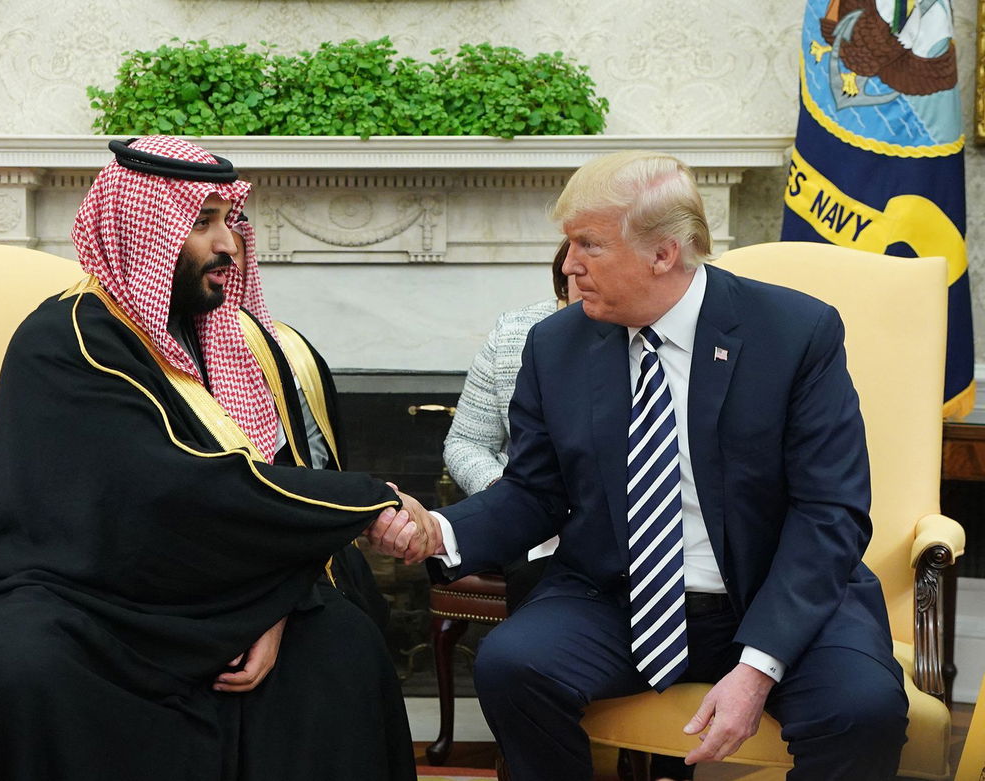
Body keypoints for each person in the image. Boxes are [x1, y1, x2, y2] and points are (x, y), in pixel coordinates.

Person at [370, 150, 908, 781]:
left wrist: (759, 666)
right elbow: (534, 492)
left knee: (862, 710)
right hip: (619, 597)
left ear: (663, 254)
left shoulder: (795, 333)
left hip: (778, 593)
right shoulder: (557, 343)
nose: (568, 266)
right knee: (514, 665)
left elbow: (829, 512)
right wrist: (441, 529)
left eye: (588, 246)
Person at [0, 136, 419, 781]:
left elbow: (298, 480)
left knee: (340, 650)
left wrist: (278, 604)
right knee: (20, 670)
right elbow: (168, 490)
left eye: (230, 220)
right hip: (77, 594)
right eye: (200, 222)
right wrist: (369, 500)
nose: (228, 245)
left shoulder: (260, 349)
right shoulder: (66, 341)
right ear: (140, 233)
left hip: (232, 587)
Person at [442, 239, 573, 613]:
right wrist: (502, 489)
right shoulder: (515, 331)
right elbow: (465, 441)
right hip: (529, 517)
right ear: (563, 283)